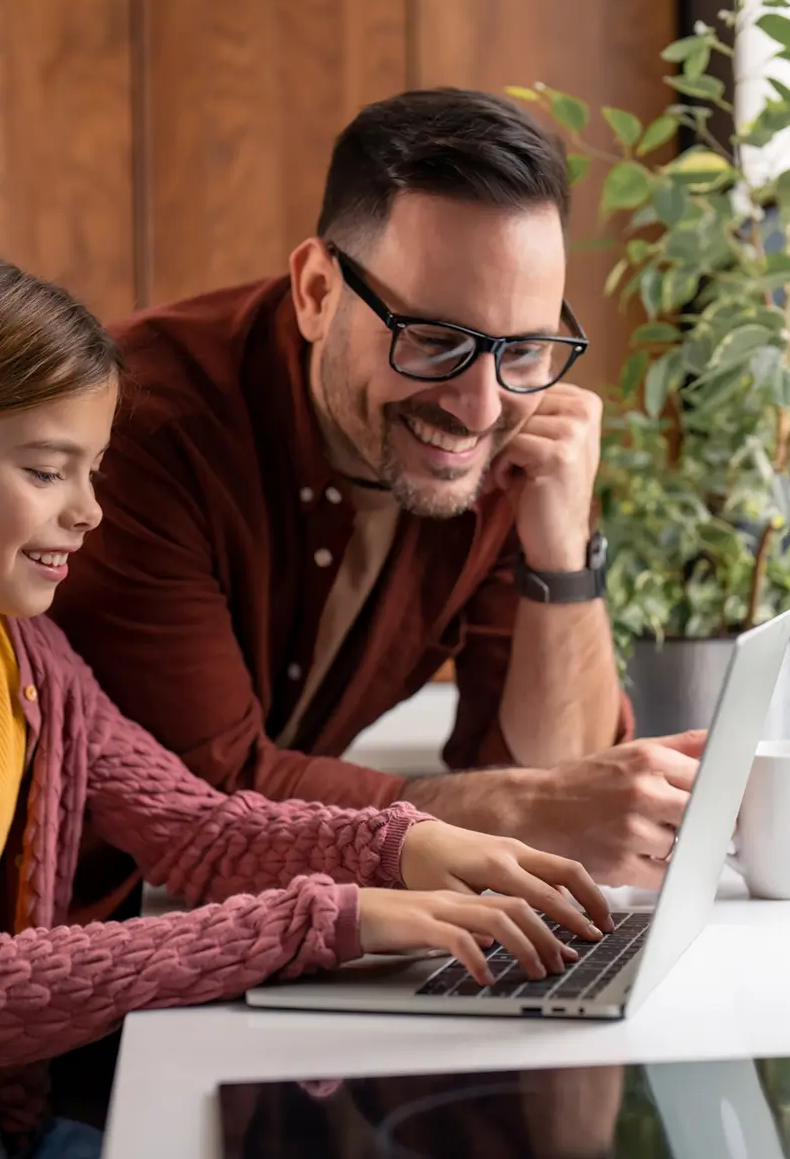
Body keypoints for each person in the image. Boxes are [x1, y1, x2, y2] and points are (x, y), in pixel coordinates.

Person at [0, 250, 613, 1159]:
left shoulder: (24, 657)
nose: (90, 510)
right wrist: (321, 918)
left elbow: (201, 830)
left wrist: (401, 844)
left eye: (94, 469)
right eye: (48, 471)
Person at [48, 87, 705, 896]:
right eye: (433, 340)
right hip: (59, 920)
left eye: (526, 348)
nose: (481, 407)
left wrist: (563, 557)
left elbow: (557, 785)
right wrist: (523, 813)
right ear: (318, 292)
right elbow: (202, 802)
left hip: (247, 906)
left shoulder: (511, 439)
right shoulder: (143, 424)